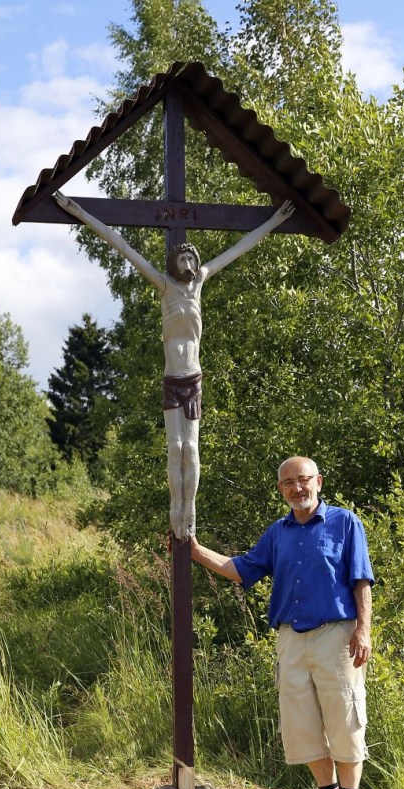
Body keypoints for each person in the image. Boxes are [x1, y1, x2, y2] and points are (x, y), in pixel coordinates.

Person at [54, 191, 294, 540]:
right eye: (181, 257)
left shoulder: (200, 283)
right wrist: (78, 211)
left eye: (190, 257)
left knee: (191, 448)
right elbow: (120, 244)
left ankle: (190, 508)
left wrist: (275, 221)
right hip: (172, 377)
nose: (187, 262)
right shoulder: (164, 285)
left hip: (193, 377)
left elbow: (239, 248)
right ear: (173, 263)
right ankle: (175, 506)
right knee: (175, 448)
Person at [190, 455, 374, 789]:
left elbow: (361, 580)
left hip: (337, 636)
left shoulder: (345, 523)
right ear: (281, 489)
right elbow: (241, 568)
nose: (297, 488)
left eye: (303, 479)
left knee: (344, 721)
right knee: (301, 724)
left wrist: (363, 629)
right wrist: (196, 550)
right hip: (291, 638)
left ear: (318, 482)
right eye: (289, 482)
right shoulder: (278, 532)